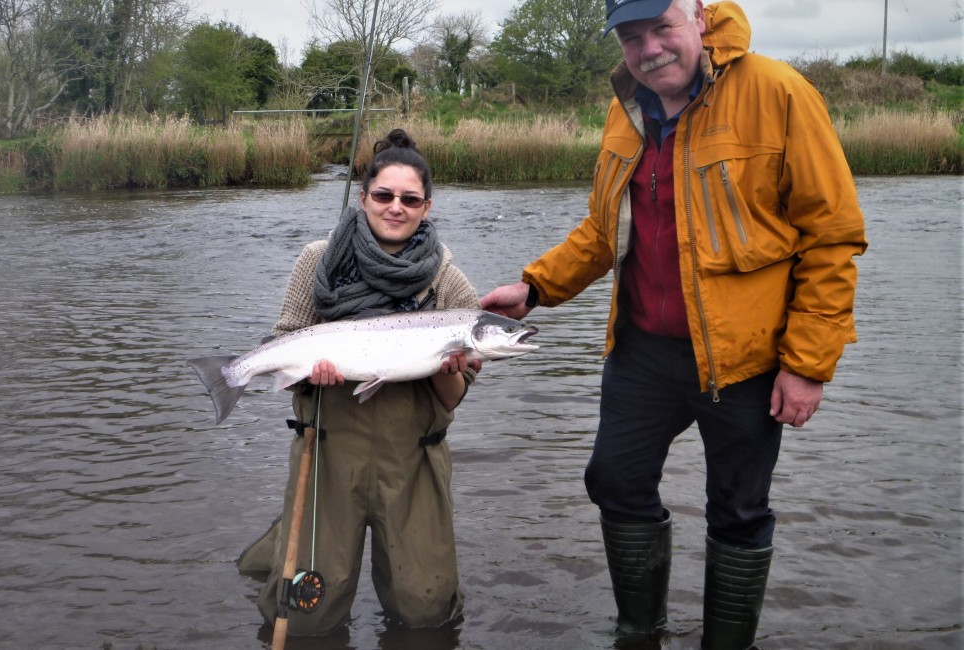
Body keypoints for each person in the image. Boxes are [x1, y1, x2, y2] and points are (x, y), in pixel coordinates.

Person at [479, 1, 867, 648]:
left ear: (698, 16)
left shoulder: (779, 92)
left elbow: (832, 238)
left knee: (738, 512)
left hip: (745, 359)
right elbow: (605, 231)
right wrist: (536, 285)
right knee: (614, 480)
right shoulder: (624, 108)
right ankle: (640, 632)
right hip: (642, 352)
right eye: (632, 36)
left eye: (661, 27)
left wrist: (807, 363)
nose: (650, 48)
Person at [238, 128, 482, 636]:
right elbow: (287, 345)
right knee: (307, 617)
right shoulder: (318, 260)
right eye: (383, 195)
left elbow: (455, 398)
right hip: (327, 450)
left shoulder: (449, 282)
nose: (396, 207)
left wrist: (449, 370)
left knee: (426, 613)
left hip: (413, 457)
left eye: (409, 199)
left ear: (427, 206)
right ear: (365, 195)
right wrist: (314, 378)